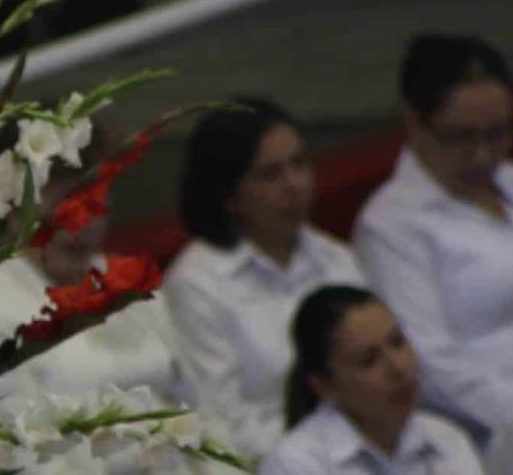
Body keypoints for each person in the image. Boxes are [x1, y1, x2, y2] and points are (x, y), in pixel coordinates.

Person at [0, 125, 186, 422]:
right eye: (63, 204)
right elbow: (8, 445)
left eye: (96, 199)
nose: (83, 222)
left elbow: (192, 398)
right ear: (14, 209)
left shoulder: (130, 279)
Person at [161, 100, 363, 458]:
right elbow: (220, 427)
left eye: (299, 163)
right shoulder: (196, 285)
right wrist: (329, 448)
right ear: (229, 196)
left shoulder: (336, 257)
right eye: (270, 174)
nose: (294, 184)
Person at [353, 34, 513, 448]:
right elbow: (431, 365)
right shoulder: (390, 226)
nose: (481, 155)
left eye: (497, 134)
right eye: (460, 137)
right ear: (414, 122)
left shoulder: (509, 179)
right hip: (486, 436)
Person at [261, 285, 483, 474]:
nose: (398, 367)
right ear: (324, 385)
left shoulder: (446, 438)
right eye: (368, 361)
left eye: (398, 342)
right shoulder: (295, 465)